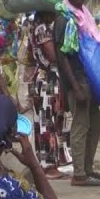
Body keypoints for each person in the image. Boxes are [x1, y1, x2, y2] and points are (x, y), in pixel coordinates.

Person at [53, 0, 100, 187]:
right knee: (80, 125)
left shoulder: (84, 16)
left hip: (90, 78)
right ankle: (79, 174)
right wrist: (75, 87)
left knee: (95, 124)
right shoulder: (64, 19)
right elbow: (62, 57)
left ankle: (88, 168)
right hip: (77, 81)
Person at [28, 9, 71, 178]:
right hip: (47, 80)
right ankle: (48, 166)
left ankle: (48, 163)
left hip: (42, 78)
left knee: (46, 121)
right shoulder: (42, 29)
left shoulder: (37, 27)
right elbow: (53, 56)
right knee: (48, 122)